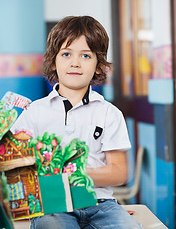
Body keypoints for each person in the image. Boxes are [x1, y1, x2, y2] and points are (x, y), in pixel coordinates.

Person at [11, 16, 142, 229]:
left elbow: (119, 172)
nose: (75, 63)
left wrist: (70, 174)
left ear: (99, 66)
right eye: (66, 54)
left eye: (86, 55)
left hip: (101, 204)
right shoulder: (34, 112)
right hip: (54, 205)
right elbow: (16, 162)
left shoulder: (109, 113)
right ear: (53, 60)